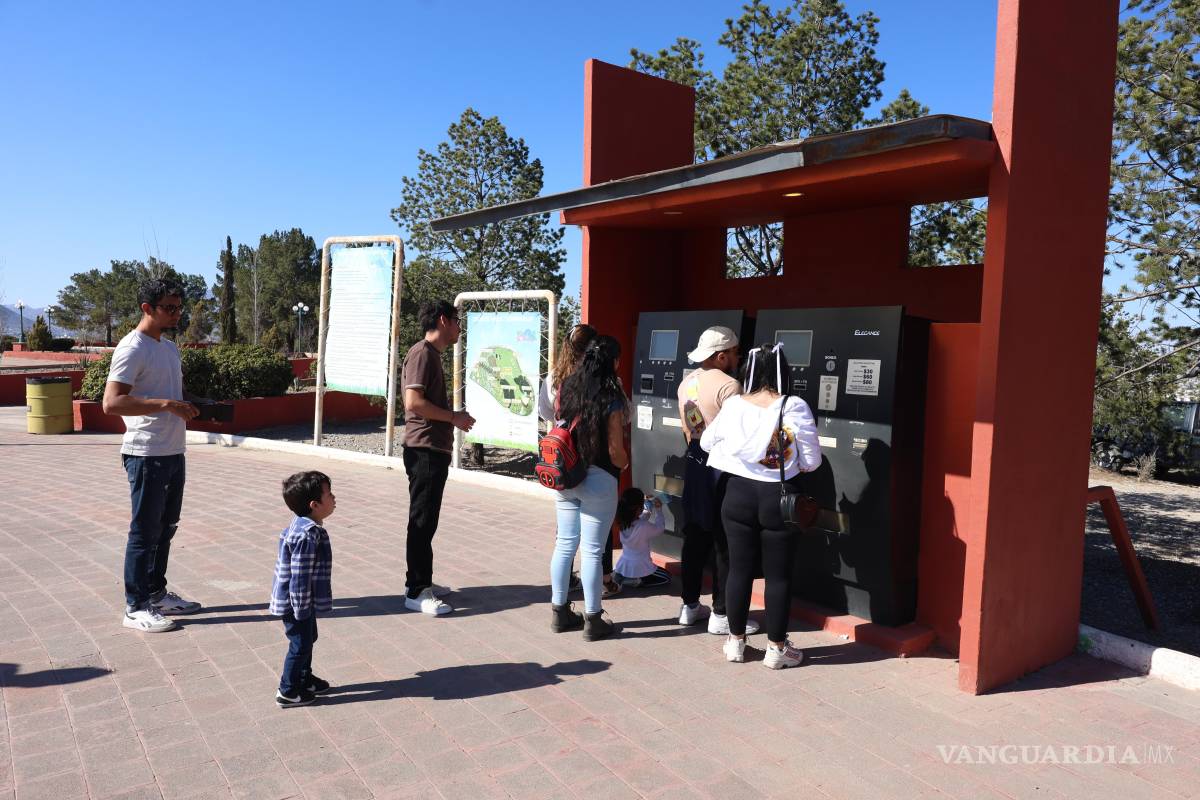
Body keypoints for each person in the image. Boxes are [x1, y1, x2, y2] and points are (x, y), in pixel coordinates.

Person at [700, 343, 821, 668]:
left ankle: (736, 643)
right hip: (777, 498)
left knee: (738, 569)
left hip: (736, 494)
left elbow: (706, 442)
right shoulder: (793, 406)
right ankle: (777, 650)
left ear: (749, 370)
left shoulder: (735, 404)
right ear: (785, 370)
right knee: (778, 577)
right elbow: (812, 461)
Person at [103, 279, 205, 633]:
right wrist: (166, 404)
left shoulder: (169, 347)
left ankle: (156, 594)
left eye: (179, 307)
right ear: (147, 308)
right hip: (146, 452)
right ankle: (135, 606)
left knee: (166, 528)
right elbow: (112, 403)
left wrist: (191, 403)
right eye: (169, 308)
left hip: (173, 450)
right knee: (144, 532)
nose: (177, 314)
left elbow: (169, 392)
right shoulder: (133, 348)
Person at [675, 326, 759, 636]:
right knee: (725, 540)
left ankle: (689, 605)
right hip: (721, 467)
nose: (738, 358)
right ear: (722, 356)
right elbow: (738, 434)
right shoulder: (730, 386)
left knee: (694, 535)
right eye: (736, 353)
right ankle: (721, 613)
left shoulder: (687, 382)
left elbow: (688, 429)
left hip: (695, 461)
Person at [548, 335, 627, 640]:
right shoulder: (612, 396)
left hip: (566, 474)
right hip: (599, 478)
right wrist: (624, 464)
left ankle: (560, 612)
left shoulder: (567, 387)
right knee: (593, 551)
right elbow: (615, 450)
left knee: (565, 544)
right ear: (612, 362)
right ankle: (593, 620)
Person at [401, 300, 475, 616]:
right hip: (424, 450)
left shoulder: (431, 355)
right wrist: (453, 418)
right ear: (444, 320)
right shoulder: (422, 353)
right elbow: (413, 402)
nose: (460, 327)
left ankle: (419, 581)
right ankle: (417, 591)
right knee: (421, 521)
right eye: (457, 321)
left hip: (432, 450)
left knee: (427, 521)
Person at [270, 471, 336, 708]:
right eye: (329, 494)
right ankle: (287, 690)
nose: (334, 498)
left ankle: (303, 678)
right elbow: (299, 577)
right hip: (296, 603)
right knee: (300, 644)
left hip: (302, 602)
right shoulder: (306, 535)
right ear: (314, 504)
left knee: (309, 638)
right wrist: (301, 609)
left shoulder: (306, 527)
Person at [612, 488, 672, 589]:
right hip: (642, 566)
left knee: (624, 572)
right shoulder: (643, 526)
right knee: (667, 578)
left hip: (624, 563)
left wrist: (647, 505)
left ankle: (620, 576)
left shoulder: (621, 521)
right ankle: (636, 581)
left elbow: (642, 517)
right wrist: (659, 510)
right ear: (638, 509)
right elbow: (659, 528)